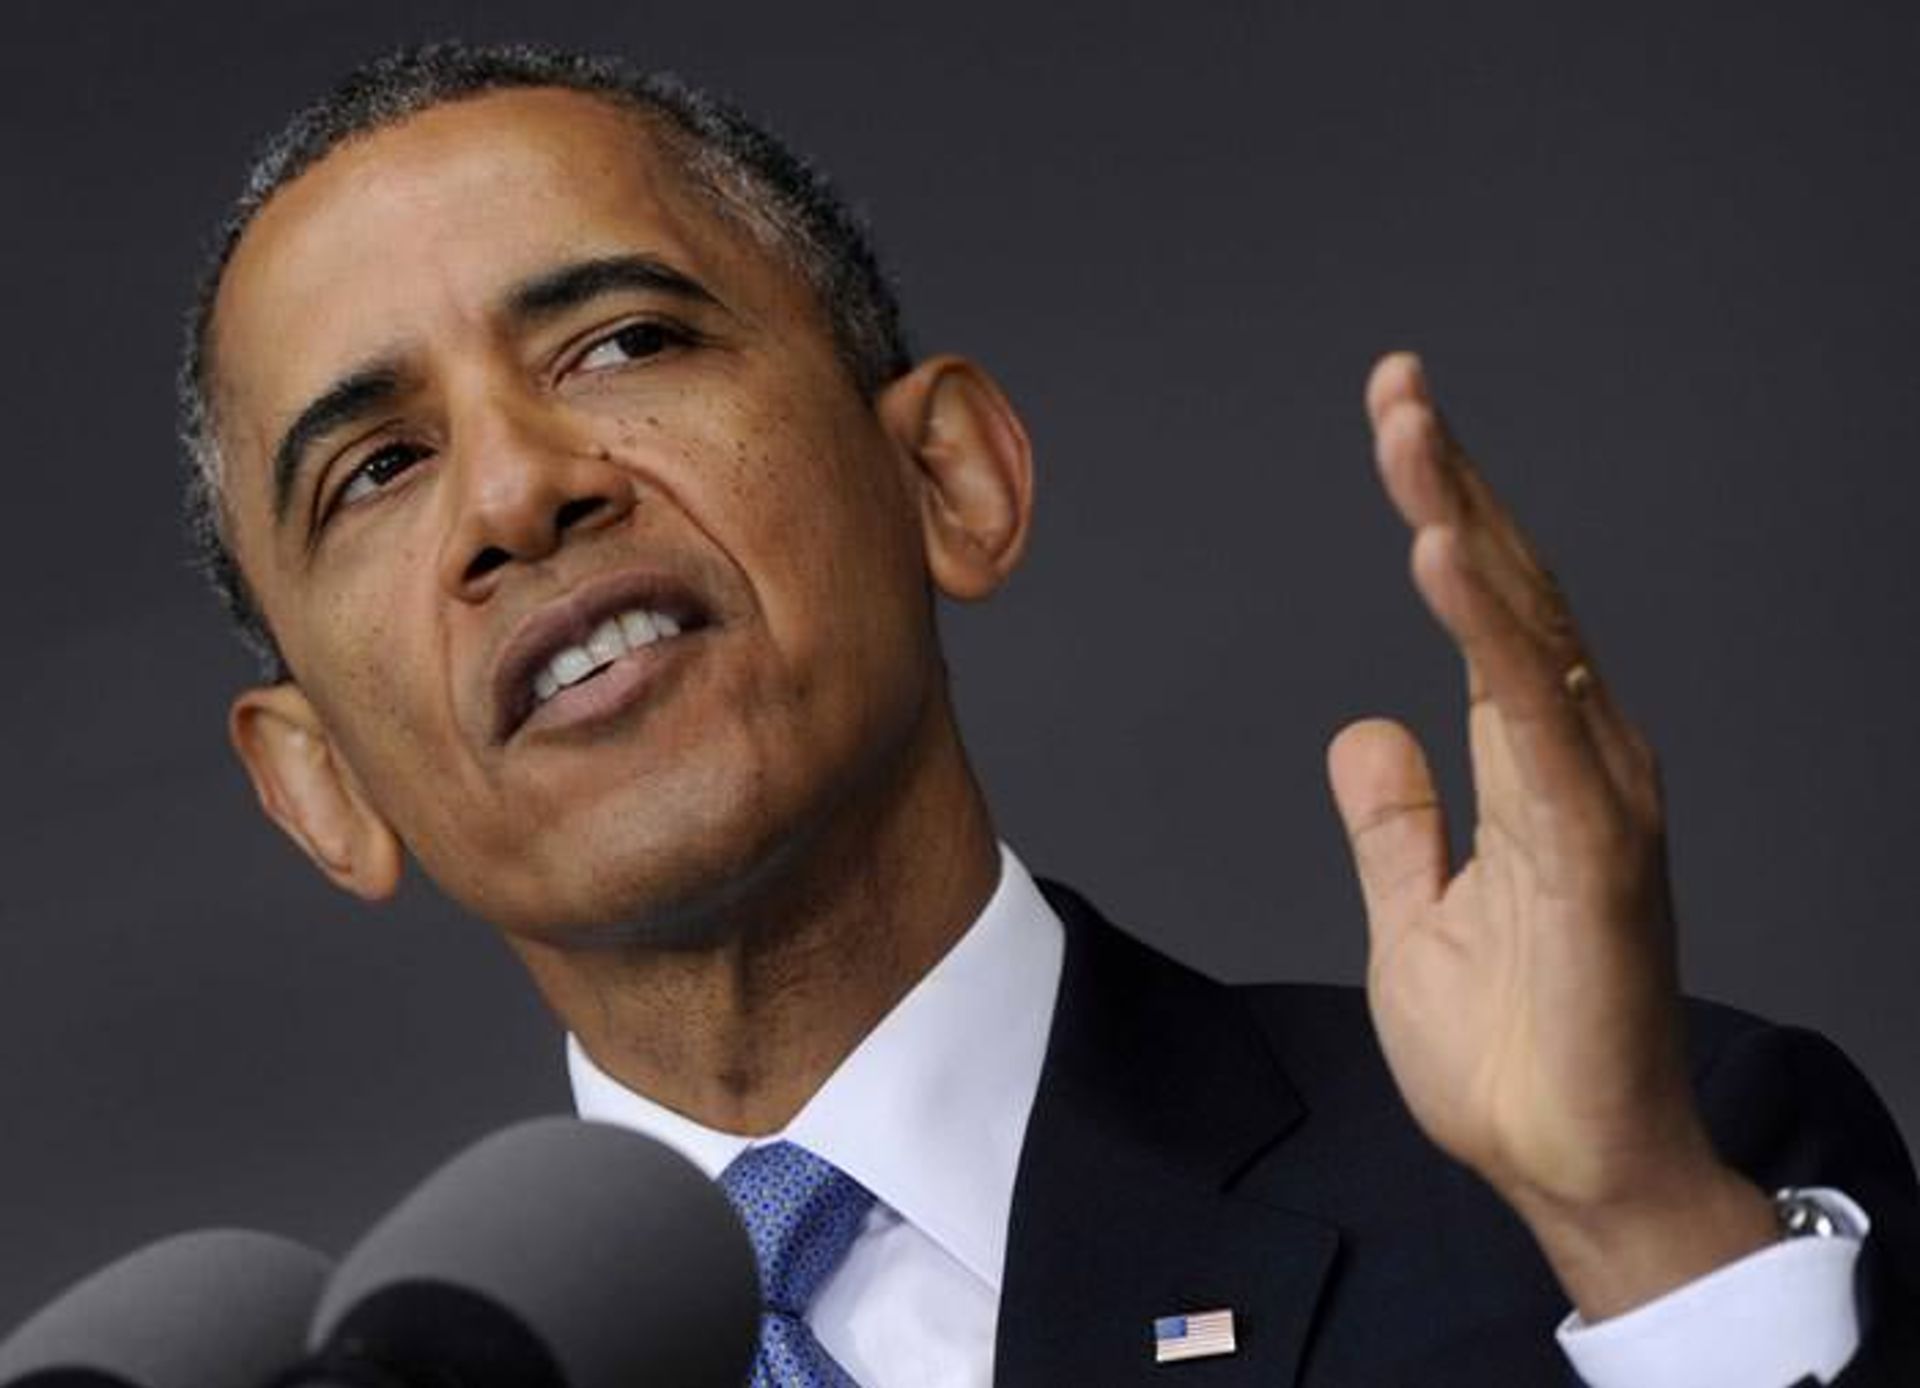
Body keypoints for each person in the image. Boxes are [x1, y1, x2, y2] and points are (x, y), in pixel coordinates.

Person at [177, 41, 1917, 1387]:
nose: (515, 496)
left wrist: (1638, 1231)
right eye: (378, 466)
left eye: (625, 345)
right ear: (319, 785)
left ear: (948, 478)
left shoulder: (1631, 1177)